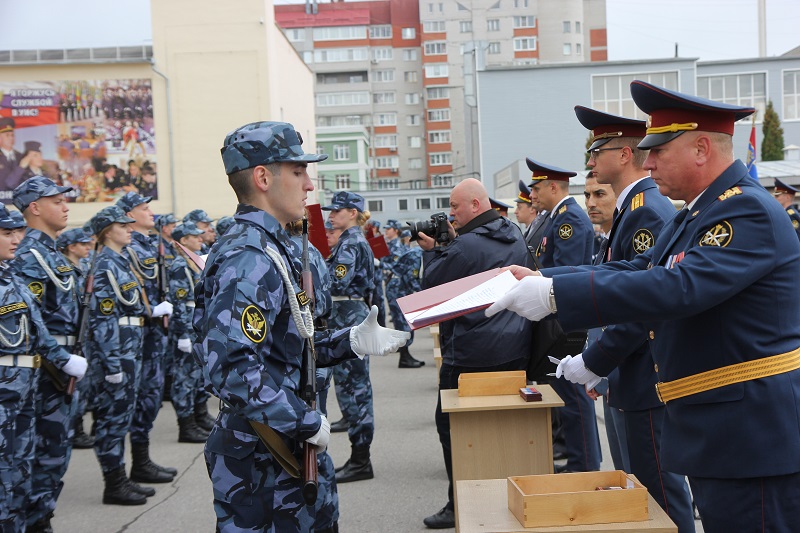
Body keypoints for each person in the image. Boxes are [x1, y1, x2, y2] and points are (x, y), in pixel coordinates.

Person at [487, 81, 800, 532]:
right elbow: (639, 268)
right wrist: (546, 280)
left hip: (750, 436)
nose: (647, 161)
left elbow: (678, 287)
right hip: (722, 428)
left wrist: (555, 298)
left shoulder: (744, 210)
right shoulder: (696, 212)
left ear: (700, 148)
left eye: (658, 149)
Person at [197, 120, 408, 532]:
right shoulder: (248, 257)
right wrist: (302, 420)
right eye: (298, 171)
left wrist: (351, 341)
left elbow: (289, 347)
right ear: (262, 177)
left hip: (286, 446)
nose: (309, 185)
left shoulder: (272, 247)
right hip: (265, 455)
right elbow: (231, 367)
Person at [574, 105, 695, 531]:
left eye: (597, 149)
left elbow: (644, 304)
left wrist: (596, 361)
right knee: (637, 490)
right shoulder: (632, 208)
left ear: (625, 154)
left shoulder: (647, 210)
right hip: (629, 373)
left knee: (660, 495)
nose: (590, 161)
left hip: (645, 375)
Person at [417, 178, 533, 530]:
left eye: (455, 206)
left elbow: (430, 291)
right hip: (514, 346)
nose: (451, 214)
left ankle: (459, 503)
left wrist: (434, 249)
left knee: (452, 428)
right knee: (504, 430)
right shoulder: (512, 231)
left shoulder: (465, 246)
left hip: (469, 353)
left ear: (475, 206)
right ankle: (508, 498)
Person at [0, 205, 86, 531]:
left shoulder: (9, 275)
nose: (16, 238)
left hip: (22, 388)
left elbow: (36, 328)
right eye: (7, 233)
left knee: (20, 469)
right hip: (5, 391)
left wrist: (63, 359)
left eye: (17, 231)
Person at [526, 158, 602, 475]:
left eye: (538, 187)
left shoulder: (569, 219)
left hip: (567, 319)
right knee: (566, 392)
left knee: (574, 394)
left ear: (554, 187)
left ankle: (583, 463)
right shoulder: (557, 218)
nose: (533, 195)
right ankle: (578, 459)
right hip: (559, 317)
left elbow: (567, 276)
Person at [86, 206, 154, 506]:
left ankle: (124, 475)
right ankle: (113, 482)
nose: (129, 228)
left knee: (124, 414)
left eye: (129, 224)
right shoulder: (103, 265)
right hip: (116, 353)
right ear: (106, 231)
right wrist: (112, 363)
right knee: (112, 419)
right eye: (122, 225)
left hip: (130, 348)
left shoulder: (121, 261)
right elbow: (102, 319)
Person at [116, 192, 176, 486]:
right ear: (128, 214)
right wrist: (150, 309)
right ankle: (123, 471)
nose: (150, 212)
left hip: (154, 331)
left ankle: (142, 461)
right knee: (131, 400)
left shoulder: (150, 243)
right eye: (143, 208)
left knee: (150, 397)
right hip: (137, 330)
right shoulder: (125, 246)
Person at [322, 190, 378, 484]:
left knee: (355, 386)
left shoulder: (350, 243)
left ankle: (361, 459)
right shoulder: (349, 241)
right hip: (347, 315)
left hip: (348, 316)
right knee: (349, 385)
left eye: (337, 211)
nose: (331, 215)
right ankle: (359, 456)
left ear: (352, 213)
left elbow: (335, 281)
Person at [581, 174, 629, 471]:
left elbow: (630, 312)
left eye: (600, 194)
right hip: (611, 369)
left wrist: (602, 368)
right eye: (587, 196)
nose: (591, 203)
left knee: (652, 479)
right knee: (625, 468)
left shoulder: (631, 230)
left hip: (622, 366)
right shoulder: (607, 240)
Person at [167, 222, 210, 443]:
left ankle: (198, 416)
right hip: (187, 327)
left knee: (196, 375)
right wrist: (184, 334)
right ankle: (186, 425)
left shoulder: (194, 262)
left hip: (197, 327)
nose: (200, 239)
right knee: (184, 378)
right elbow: (180, 302)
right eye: (195, 236)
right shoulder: (179, 264)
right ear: (183, 240)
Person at [56, 227, 97, 451]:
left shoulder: (79, 269)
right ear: (71, 247)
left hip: (83, 335)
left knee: (83, 387)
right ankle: (76, 428)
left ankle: (78, 427)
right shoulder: (65, 270)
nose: (88, 247)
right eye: (83, 244)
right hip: (69, 339)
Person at [383, 219, 424, 368]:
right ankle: (405, 358)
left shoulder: (418, 252)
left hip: (399, 288)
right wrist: (423, 294)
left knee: (404, 323)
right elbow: (410, 277)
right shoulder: (416, 254)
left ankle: (405, 355)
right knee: (404, 323)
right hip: (397, 289)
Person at [0, 118, 32, 195]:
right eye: (7, 135)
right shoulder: (22, 162)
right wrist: (21, 167)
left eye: (12, 135)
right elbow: (6, 183)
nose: (11, 138)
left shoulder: (21, 157)